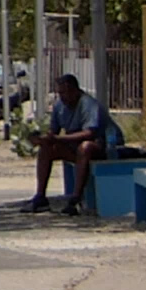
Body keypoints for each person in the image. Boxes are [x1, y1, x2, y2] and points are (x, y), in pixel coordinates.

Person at [27, 73, 109, 215]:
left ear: (75, 90)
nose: (63, 97)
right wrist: (42, 139)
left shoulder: (88, 104)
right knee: (47, 148)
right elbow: (54, 132)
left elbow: (89, 133)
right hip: (72, 146)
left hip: (98, 148)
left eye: (66, 92)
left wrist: (60, 139)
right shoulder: (59, 106)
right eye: (60, 93)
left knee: (85, 147)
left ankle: (75, 199)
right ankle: (40, 196)